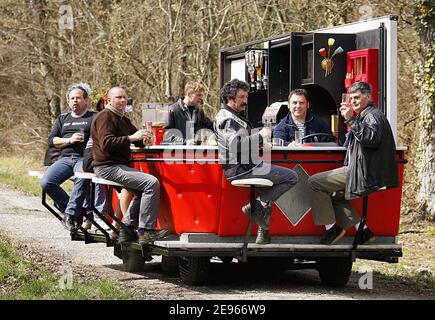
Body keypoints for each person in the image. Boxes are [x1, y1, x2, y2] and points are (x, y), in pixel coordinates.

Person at [307, 81, 399, 245]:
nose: (353, 101)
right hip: (365, 170)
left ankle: (331, 229)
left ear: (368, 97)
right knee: (334, 194)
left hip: (364, 173)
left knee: (314, 182)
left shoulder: (372, 116)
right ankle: (363, 231)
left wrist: (350, 119)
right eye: (351, 98)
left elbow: (371, 139)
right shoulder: (367, 115)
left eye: (357, 97)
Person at [214, 79, 299, 244]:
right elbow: (236, 145)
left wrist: (260, 141)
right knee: (292, 177)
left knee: (268, 191)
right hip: (243, 169)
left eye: (246, 96)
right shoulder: (227, 118)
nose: (245, 100)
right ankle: (256, 206)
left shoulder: (233, 116)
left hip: (245, 166)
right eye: (241, 97)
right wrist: (261, 135)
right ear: (230, 98)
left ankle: (263, 234)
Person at [91, 86, 169, 244]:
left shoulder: (123, 119)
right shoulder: (105, 116)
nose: (122, 100)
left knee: (143, 189)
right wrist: (132, 138)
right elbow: (107, 143)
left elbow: (135, 137)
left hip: (118, 165)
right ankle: (145, 231)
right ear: (109, 100)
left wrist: (144, 138)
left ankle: (127, 229)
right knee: (151, 183)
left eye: (124, 98)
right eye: (118, 97)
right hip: (107, 167)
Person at [40, 83, 97, 231]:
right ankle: (73, 213)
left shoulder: (94, 117)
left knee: (82, 177)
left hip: (84, 159)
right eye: (72, 98)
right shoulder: (62, 118)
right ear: (68, 101)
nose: (75, 101)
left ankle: (71, 215)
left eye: (78, 98)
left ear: (87, 101)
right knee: (47, 182)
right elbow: (52, 141)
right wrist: (69, 140)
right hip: (64, 159)